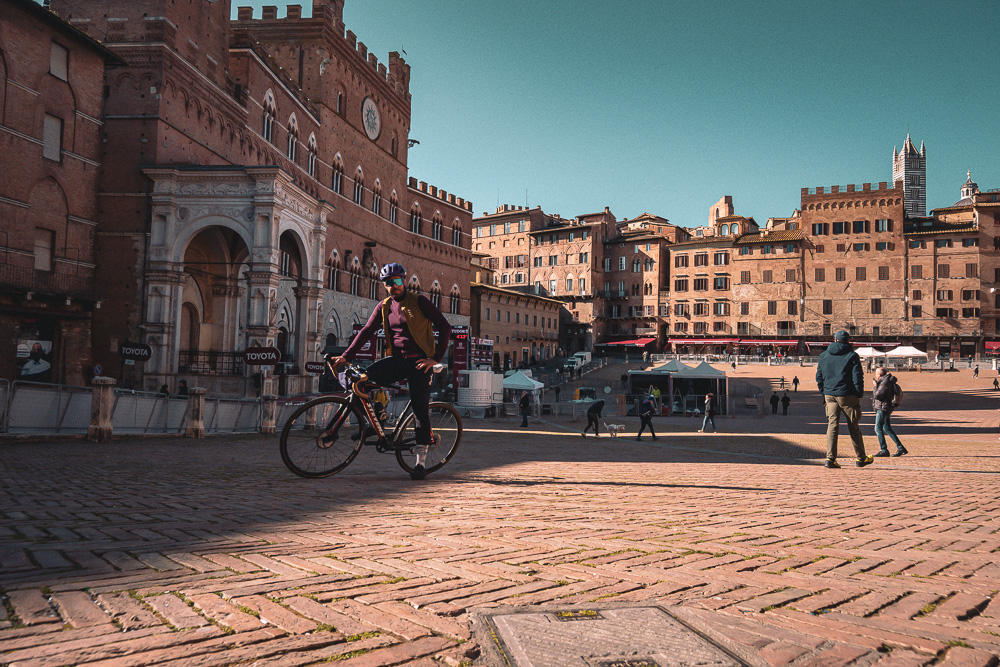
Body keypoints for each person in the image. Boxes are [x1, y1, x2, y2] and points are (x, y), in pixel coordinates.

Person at [331, 262, 452, 480]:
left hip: (419, 363)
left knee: (419, 411)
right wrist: (346, 356)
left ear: (404, 281)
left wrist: (434, 359)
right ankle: (374, 422)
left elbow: (445, 327)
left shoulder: (419, 301)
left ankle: (420, 463)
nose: (392, 286)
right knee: (361, 382)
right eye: (388, 283)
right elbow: (367, 331)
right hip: (397, 360)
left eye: (396, 282)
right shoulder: (385, 306)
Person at [816, 330, 873, 469]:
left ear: (834, 340)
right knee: (853, 427)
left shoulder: (824, 355)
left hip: (830, 395)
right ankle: (861, 458)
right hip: (848, 395)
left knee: (832, 426)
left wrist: (824, 392)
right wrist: (859, 395)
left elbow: (819, 377)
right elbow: (857, 377)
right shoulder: (852, 355)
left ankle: (830, 458)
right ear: (848, 341)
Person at [872, 367, 907, 457]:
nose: (875, 375)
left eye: (876, 373)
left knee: (877, 428)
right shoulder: (886, 381)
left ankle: (884, 450)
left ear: (879, 374)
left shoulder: (884, 382)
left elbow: (878, 395)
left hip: (883, 408)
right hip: (886, 408)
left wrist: (875, 387)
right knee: (887, 428)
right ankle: (900, 447)